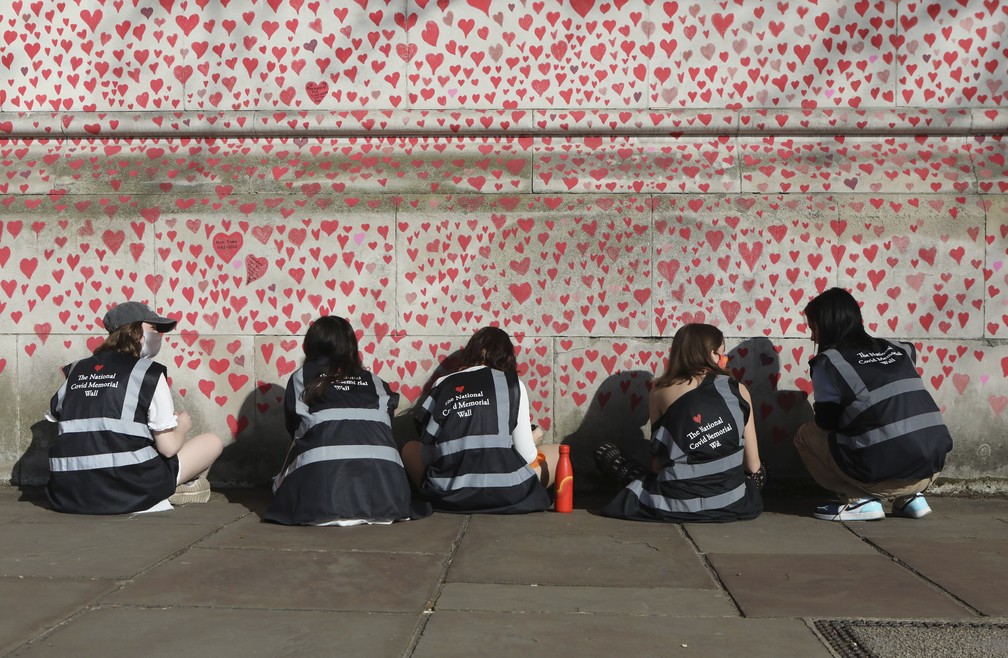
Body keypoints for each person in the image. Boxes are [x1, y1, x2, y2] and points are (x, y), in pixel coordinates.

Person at [46, 302, 224, 514]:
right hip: (129, 489)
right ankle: (178, 489)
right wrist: (182, 427)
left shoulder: (76, 369)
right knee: (212, 442)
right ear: (134, 330)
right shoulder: (148, 372)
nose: (159, 335)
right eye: (154, 328)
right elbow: (168, 448)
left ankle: (182, 489)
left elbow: (70, 419)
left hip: (68, 493)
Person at [795, 288, 952, 521]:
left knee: (806, 435)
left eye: (813, 328)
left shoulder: (829, 363)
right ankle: (911, 498)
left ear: (828, 325)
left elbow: (827, 422)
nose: (811, 337)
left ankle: (859, 500)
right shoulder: (900, 348)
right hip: (931, 470)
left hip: (881, 476)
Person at [598, 323, 764, 522]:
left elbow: (658, 464)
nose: (724, 358)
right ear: (712, 354)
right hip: (732, 505)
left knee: (605, 451)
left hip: (672, 504)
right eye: (722, 352)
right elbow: (753, 465)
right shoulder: (738, 390)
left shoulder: (660, 391)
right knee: (763, 470)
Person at [265, 316, 421, 525]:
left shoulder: (302, 377)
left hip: (318, 500)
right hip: (388, 498)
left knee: (284, 476)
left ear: (309, 345)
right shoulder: (376, 382)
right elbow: (383, 429)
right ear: (351, 346)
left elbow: (294, 429)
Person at [401, 326, 558, 513]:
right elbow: (526, 455)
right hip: (507, 494)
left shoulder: (443, 384)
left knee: (409, 448)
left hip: (448, 495)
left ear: (471, 352)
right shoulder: (514, 384)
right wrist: (532, 439)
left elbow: (427, 457)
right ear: (507, 357)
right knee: (559, 453)